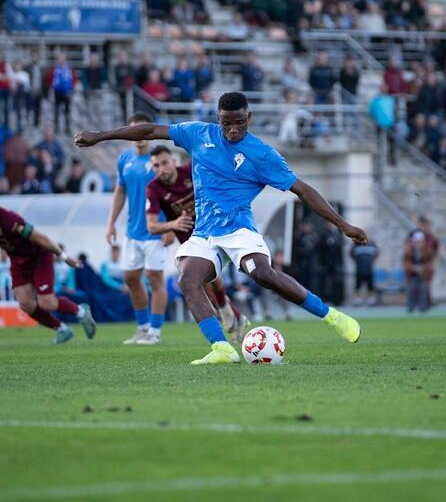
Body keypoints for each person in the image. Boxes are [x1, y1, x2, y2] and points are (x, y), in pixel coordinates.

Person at [75, 92, 367, 365]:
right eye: (226, 123)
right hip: (205, 233)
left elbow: (302, 190)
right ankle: (222, 348)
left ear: (248, 117)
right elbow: (150, 131)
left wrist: (343, 225)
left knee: (263, 274)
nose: (232, 130)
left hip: (239, 229)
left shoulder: (262, 155)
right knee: (188, 280)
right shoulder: (198, 134)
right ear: (218, 118)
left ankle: (332, 317)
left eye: (239, 123)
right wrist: (101, 136)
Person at [0, 187, 97, 344]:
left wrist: (64, 257)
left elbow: (40, 238)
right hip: (18, 262)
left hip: (38, 257)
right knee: (25, 304)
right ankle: (62, 329)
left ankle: (81, 311)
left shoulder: (8, 219)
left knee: (47, 302)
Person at [144, 145, 250, 343]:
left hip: (213, 229)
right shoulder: (153, 188)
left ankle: (227, 312)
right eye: (156, 166)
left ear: (174, 161)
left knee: (209, 278)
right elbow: (151, 226)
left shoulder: (192, 170)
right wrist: (171, 225)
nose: (161, 169)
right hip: (188, 240)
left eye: (164, 163)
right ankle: (233, 315)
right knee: (202, 286)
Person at [104, 113, 170, 345]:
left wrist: (171, 228)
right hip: (132, 231)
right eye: (134, 131)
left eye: (143, 130)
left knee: (155, 279)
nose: (139, 136)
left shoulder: (159, 162)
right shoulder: (124, 160)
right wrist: (111, 222)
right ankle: (142, 328)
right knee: (131, 278)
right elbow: (120, 191)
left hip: (156, 229)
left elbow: (172, 194)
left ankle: (155, 331)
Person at [350, 239, 379, 306]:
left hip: (369, 269)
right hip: (359, 269)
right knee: (357, 285)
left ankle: (370, 299)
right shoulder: (356, 244)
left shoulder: (372, 244)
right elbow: (351, 254)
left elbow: (376, 253)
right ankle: (357, 300)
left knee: (370, 286)